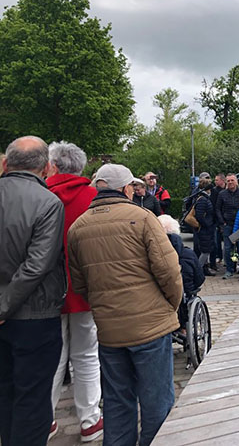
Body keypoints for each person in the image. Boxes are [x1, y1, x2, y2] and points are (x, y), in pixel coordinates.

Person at [67, 163, 183, 446]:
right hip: (150, 327)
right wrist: (171, 306)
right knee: (157, 403)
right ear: (126, 188)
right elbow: (169, 272)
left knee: (117, 402)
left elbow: (79, 284)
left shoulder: (78, 227)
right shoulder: (143, 218)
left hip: (109, 331)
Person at [0, 136, 66, 446]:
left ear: (5, 163)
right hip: (34, 316)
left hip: (14, 313)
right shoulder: (48, 203)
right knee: (33, 399)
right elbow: (38, 265)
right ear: (46, 168)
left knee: (6, 394)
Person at [46, 141, 103, 442]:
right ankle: (89, 420)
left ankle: (45, 419)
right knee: (86, 355)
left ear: (53, 165)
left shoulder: (40, 194)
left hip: (47, 292)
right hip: (86, 288)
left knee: (52, 356)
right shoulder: (94, 197)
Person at [157, 215, 205, 329]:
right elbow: (199, 278)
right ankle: (183, 328)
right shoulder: (188, 254)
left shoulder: (152, 255)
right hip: (183, 296)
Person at [216, 174, 239, 278]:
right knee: (228, 248)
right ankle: (229, 269)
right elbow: (217, 209)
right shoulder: (222, 194)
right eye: (228, 181)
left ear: (236, 181)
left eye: (232, 180)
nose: (230, 182)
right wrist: (222, 222)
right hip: (227, 224)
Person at [194, 178, 216, 277]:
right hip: (205, 230)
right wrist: (207, 224)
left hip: (205, 229)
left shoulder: (202, 198)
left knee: (205, 250)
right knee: (205, 251)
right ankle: (197, 271)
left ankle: (200, 269)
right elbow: (199, 215)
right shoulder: (203, 199)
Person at [212, 173, 226, 266]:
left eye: (217, 180)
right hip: (217, 220)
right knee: (217, 240)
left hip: (227, 219)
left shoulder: (227, 190)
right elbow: (215, 206)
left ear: (222, 180)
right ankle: (219, 256)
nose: (215, 181)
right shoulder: (214, 191)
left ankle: (228, 259)